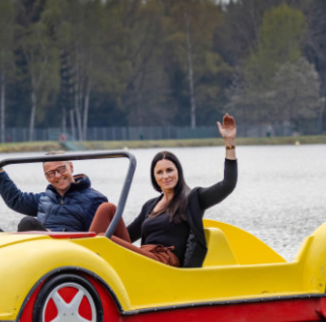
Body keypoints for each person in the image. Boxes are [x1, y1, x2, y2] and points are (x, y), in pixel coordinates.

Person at [88, 113, 237, 267]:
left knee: (103, 240)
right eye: (159, 172)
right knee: (107, 209)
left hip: (164, 263)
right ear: (155, 178)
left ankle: (83, 264)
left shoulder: (192, 198)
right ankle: (79, 259)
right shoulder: (150, 205)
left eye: (169, 170)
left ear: (178, 171)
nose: (165, 176)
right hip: (144, 255)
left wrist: (229, 142)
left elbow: (228, 184)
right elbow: (127, 235)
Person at [0, 137, 108, 232]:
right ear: (46, 177)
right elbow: (16, 199)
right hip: (36, 247)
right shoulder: (45, 198)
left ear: (71, 167)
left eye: (61, 170)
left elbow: (98, 239)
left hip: (65, 252)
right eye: (51, 173)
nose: (57, 176)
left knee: (28, 223)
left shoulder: (94, 200)